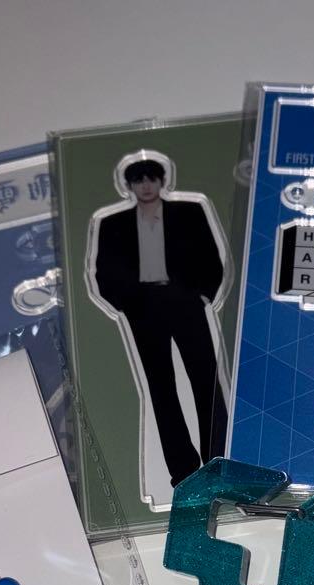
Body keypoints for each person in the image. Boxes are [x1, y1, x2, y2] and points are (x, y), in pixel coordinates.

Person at [89, 157, 229, 487]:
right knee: (160, 387)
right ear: (128, 186)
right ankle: (183, 469)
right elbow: (103, 272)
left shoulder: (189, 212)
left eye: (152, 178)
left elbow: (211, 257)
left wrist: (204, 295)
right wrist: (127, 305)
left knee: (206, 380)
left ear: (163, 180)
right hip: (144, 309)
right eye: (139, 180)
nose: (146, 185)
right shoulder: (112, 223)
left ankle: (220, 457)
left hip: (185, 302)